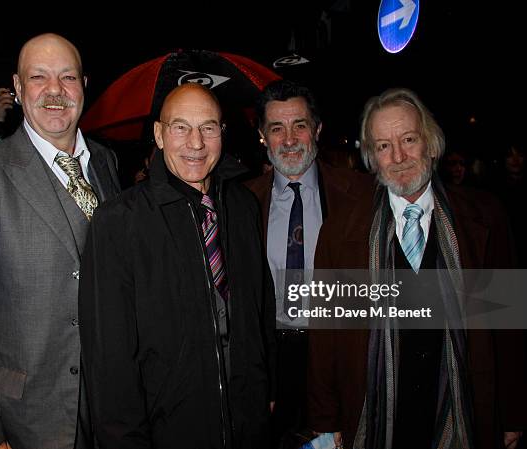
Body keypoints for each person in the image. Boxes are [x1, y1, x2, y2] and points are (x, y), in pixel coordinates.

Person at [307, 87, 526, 449]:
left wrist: (513, 413)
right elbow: (325, 337)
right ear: (371, 158)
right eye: (382, 146)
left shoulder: (485, 217)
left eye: (408, 139)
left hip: (465, 408)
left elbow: (509, 328)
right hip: (375, 414)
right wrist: (325, 421)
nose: (398, 156)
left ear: (431, 143)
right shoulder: (340, 231)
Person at [0, 33, 121, 449]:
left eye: (67, 77)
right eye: (39, 77)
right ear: (19, 89)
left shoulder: (107, 162)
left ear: (84, 85)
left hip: (112, 404)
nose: (55, 90)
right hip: (25, 416)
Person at [79, 83, 275, 449]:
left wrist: (266, 390)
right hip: (168, 431)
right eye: (180, 127)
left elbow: (260, 308)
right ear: (158, 134)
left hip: (248, 424)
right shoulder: (118, 222)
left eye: (208, 127)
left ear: (223, 132)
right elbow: (109, 359)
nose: (196, 143)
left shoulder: (243, 205)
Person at [245, 80, 373, 448]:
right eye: (276, 128)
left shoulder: (360, 195)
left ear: (317, 130)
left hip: (337, 351)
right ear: (262, 136)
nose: (288, 139)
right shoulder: (242, 200)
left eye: (299, 125)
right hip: (271, 359)